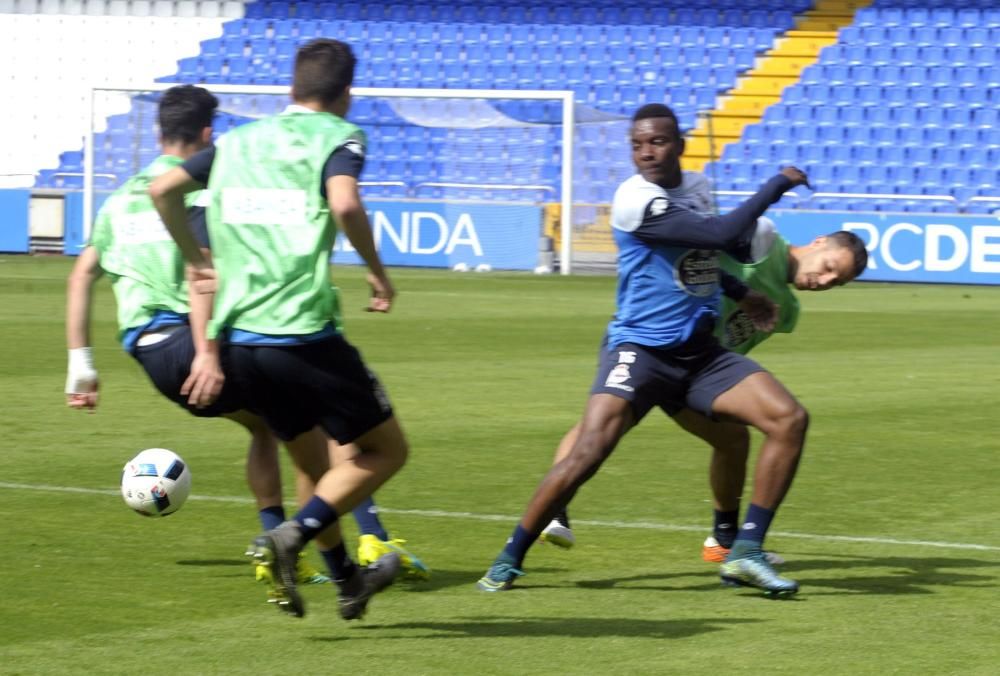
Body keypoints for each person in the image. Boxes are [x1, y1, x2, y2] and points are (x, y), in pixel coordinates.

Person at [64, 85, 425, 609]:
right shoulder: (207, 187)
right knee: (332, 429)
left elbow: (80, 276)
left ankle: (325, 568)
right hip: (199, 337)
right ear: (208, 133)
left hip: (146, 348)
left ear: (159, 129)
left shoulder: (120, 198)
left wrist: (81, 365)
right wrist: (208, 347)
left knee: (276, 427)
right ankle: (350, 541)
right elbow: (203, 276)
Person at [477, 103, 810, 597]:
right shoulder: (635, 198)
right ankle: (510, 556)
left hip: (700, 357)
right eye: (637, 144)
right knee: (587, 453)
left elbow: (703, 256)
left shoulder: (694, 188)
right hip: (641, 352)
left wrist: (743, 292)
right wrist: (777, 183)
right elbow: (718, 234)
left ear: (678, 144)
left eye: (656, 142)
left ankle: (745, 551)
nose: (646, 153)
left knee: (789, 419)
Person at [149, 39, 410, 620]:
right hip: (304, 335)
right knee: (387, 451)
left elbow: (162, 190)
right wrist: (377, 273)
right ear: (346, 94)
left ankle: (347, 582)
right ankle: (292, 534)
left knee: (316, 464)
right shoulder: (339, 137)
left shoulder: (237, 142)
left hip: (240, 344)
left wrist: (195, 256)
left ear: (291, 89)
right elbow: (344, 204)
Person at [538, 221, 869, 565]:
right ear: (817, 242)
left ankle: (723, 540)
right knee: (604, 427)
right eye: (830, 268)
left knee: (731, 439)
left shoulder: (788, 311)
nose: (827, 281)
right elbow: (696, 242)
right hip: (651, 340)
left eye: (837, 282)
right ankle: (552, 511)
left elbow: (733, 352)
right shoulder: (760, 239)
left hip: (694, 371)